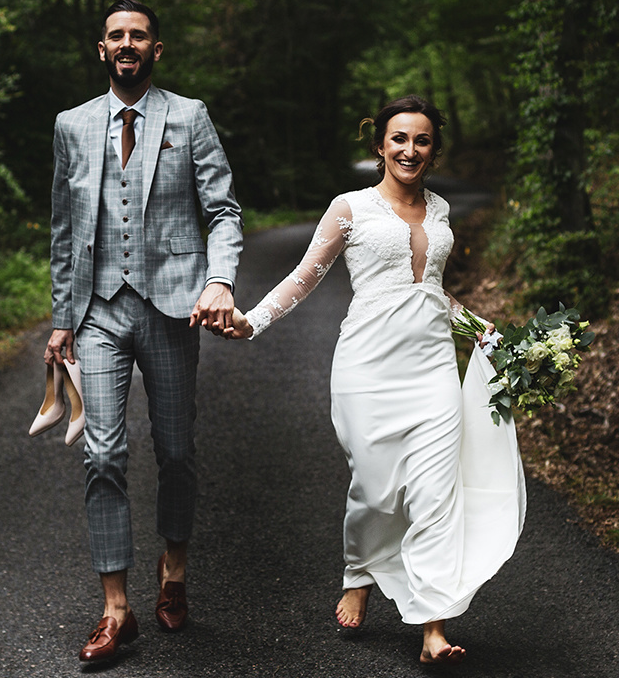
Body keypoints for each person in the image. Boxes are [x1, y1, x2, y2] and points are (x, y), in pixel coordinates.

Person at [225, 95, 526, 664]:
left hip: (434, 367)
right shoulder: (350, 207)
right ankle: (358, 570)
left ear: (433, 148)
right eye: (399, 140)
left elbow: (432, 291)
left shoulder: (439, 210)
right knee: (375, 487)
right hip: (366, 366)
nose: (409, 150)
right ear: (379, 145)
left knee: (436, 495)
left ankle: (433, 626)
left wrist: (485, 330)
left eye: (422, 140)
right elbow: (304, 276)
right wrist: (252, 321)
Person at [45, 0, 244, 664]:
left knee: (177, 450)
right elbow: (65, 230)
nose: (126, 44)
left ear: (157, 49)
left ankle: (175, 569)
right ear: (101, 48)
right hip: (99, 311)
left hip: (172, 307)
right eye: (115, 36)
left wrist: (219, 281)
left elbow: (223, 210)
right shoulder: (71, 126)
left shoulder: (188, 117)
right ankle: (116, 609)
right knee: (101, 453)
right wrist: (61, 320)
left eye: (138, 35)